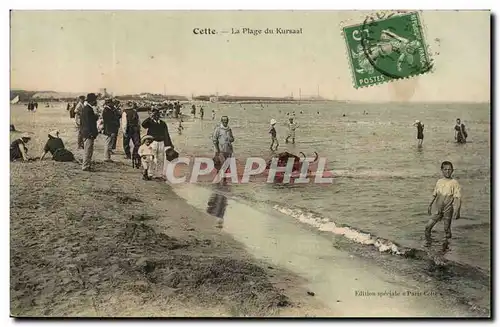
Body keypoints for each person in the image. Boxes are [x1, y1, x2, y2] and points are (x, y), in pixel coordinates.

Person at [425, 161, 462, 252]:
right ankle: (428, 245)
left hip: (448, 209)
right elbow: (434, 195)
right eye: (445, 169)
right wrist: (429, 205)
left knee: (446, 229)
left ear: (452, 170)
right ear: (442, 170)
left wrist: (457, 210)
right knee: (428, 227)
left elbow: (458, 198)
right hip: (438, 208)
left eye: (449, 169)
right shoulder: (439, 181)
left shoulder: (454, 182)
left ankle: (446, 249)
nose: (447, 171)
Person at [141, 108, 174, 179]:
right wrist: (150, 118)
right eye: (154, 114)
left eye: (157, 114)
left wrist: (169, 144)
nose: (156, 116)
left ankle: (159, 174)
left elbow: (166, 134)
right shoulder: (149, 122)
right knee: (151, 158)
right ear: (152, 115)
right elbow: (143, 125)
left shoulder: (163, 123)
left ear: (159, 115)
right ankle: (150, 174)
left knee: (161, 159)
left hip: (161, 142)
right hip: (153, 142)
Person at [80, 93, 99, 171]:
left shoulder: (86, 108)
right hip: (88, 133)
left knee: (88, 150)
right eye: (95, 100)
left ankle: (86, 165)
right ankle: (85, 166)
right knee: (88, 150)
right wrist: (91, 133)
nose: (96, 101)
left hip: (85, 132)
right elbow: (89, 123)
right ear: (93, 101)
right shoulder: (88, 109)